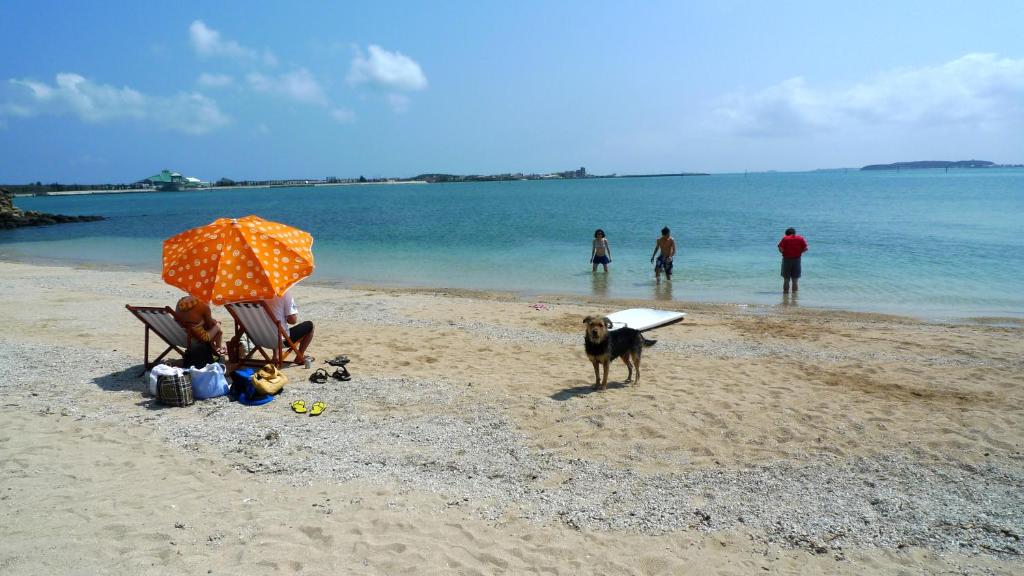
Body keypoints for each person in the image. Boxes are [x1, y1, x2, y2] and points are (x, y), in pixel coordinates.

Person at [263, 290, 314, 361]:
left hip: (259, 339)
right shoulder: (283, 294)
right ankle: (300, 356)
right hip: (279, 341)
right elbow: (292, 321)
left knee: (273, 324)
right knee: (310, 325)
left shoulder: (252, 296)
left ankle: (276, 355)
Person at [777, 227, 809, 293]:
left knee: (786, 280)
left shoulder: (785, 238)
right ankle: (794, 297)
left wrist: (783, 253)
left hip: (787, 260)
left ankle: (785, 295)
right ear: (794, 233)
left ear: (786, 234)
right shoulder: (800, 238)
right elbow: (806, 248)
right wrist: (799, 252)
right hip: (797, 260)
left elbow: (780, 248)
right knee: (795, 280)